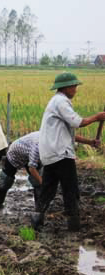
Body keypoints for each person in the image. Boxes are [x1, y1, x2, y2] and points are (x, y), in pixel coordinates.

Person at [31, 72, 105, 232]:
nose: (75, 90)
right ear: (65, 88)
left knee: (48, 190)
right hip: (61, 154)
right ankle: (74, 226)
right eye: (73, 86)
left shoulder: (55, 102)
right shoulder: (61, 102)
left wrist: (90, 142)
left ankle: (36, 220)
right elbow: (77, 122)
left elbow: (69, 131)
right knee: (71, 190)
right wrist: (97, 117)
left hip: (50, 154)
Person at [0, 131, 42, 210]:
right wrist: (41, 181)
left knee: (37, 183)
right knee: (6, 180)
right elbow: (32, 168)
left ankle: (39, 209)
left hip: (28, 154)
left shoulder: (50, 139)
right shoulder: (37, 146)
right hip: (14, 153)